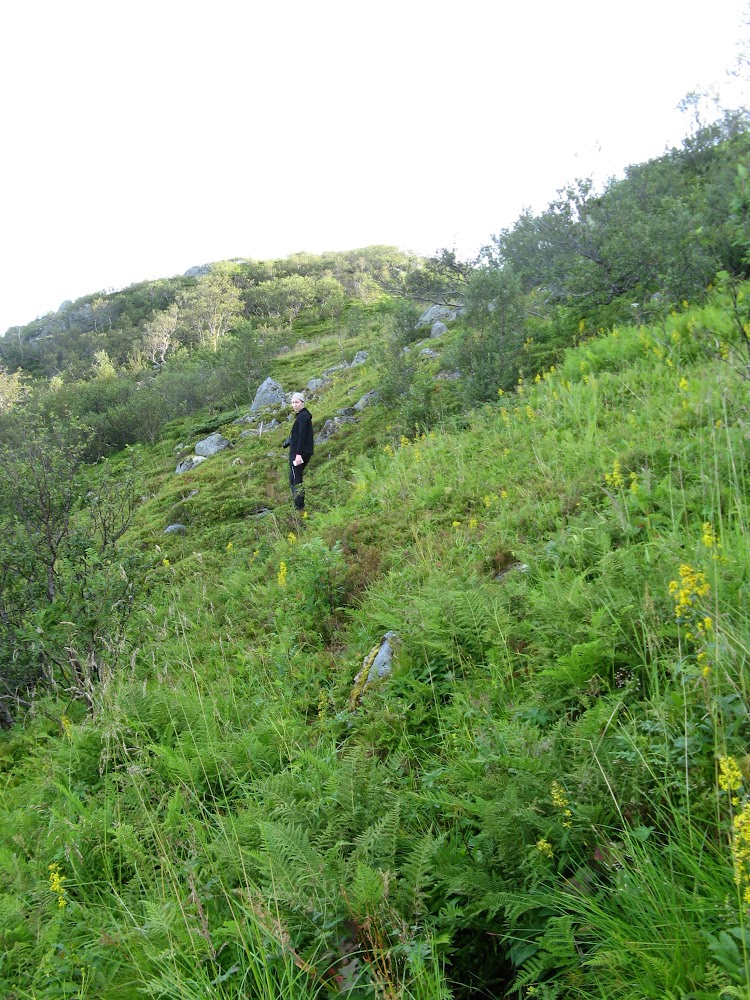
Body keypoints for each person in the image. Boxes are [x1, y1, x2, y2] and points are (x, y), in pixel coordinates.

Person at [283, 392, 314, 511]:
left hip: (298, 453)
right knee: (294, 477)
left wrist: (298, 454)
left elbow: (302, 436)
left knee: (296, 479)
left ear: (302, 403)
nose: (294, 405)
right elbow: (299, 435)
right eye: (292, 402)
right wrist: (290, 441)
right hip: (300, 451)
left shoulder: (303, 416)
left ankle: (299, 507)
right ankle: (299, 506)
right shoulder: (302, 416)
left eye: (297, 402)